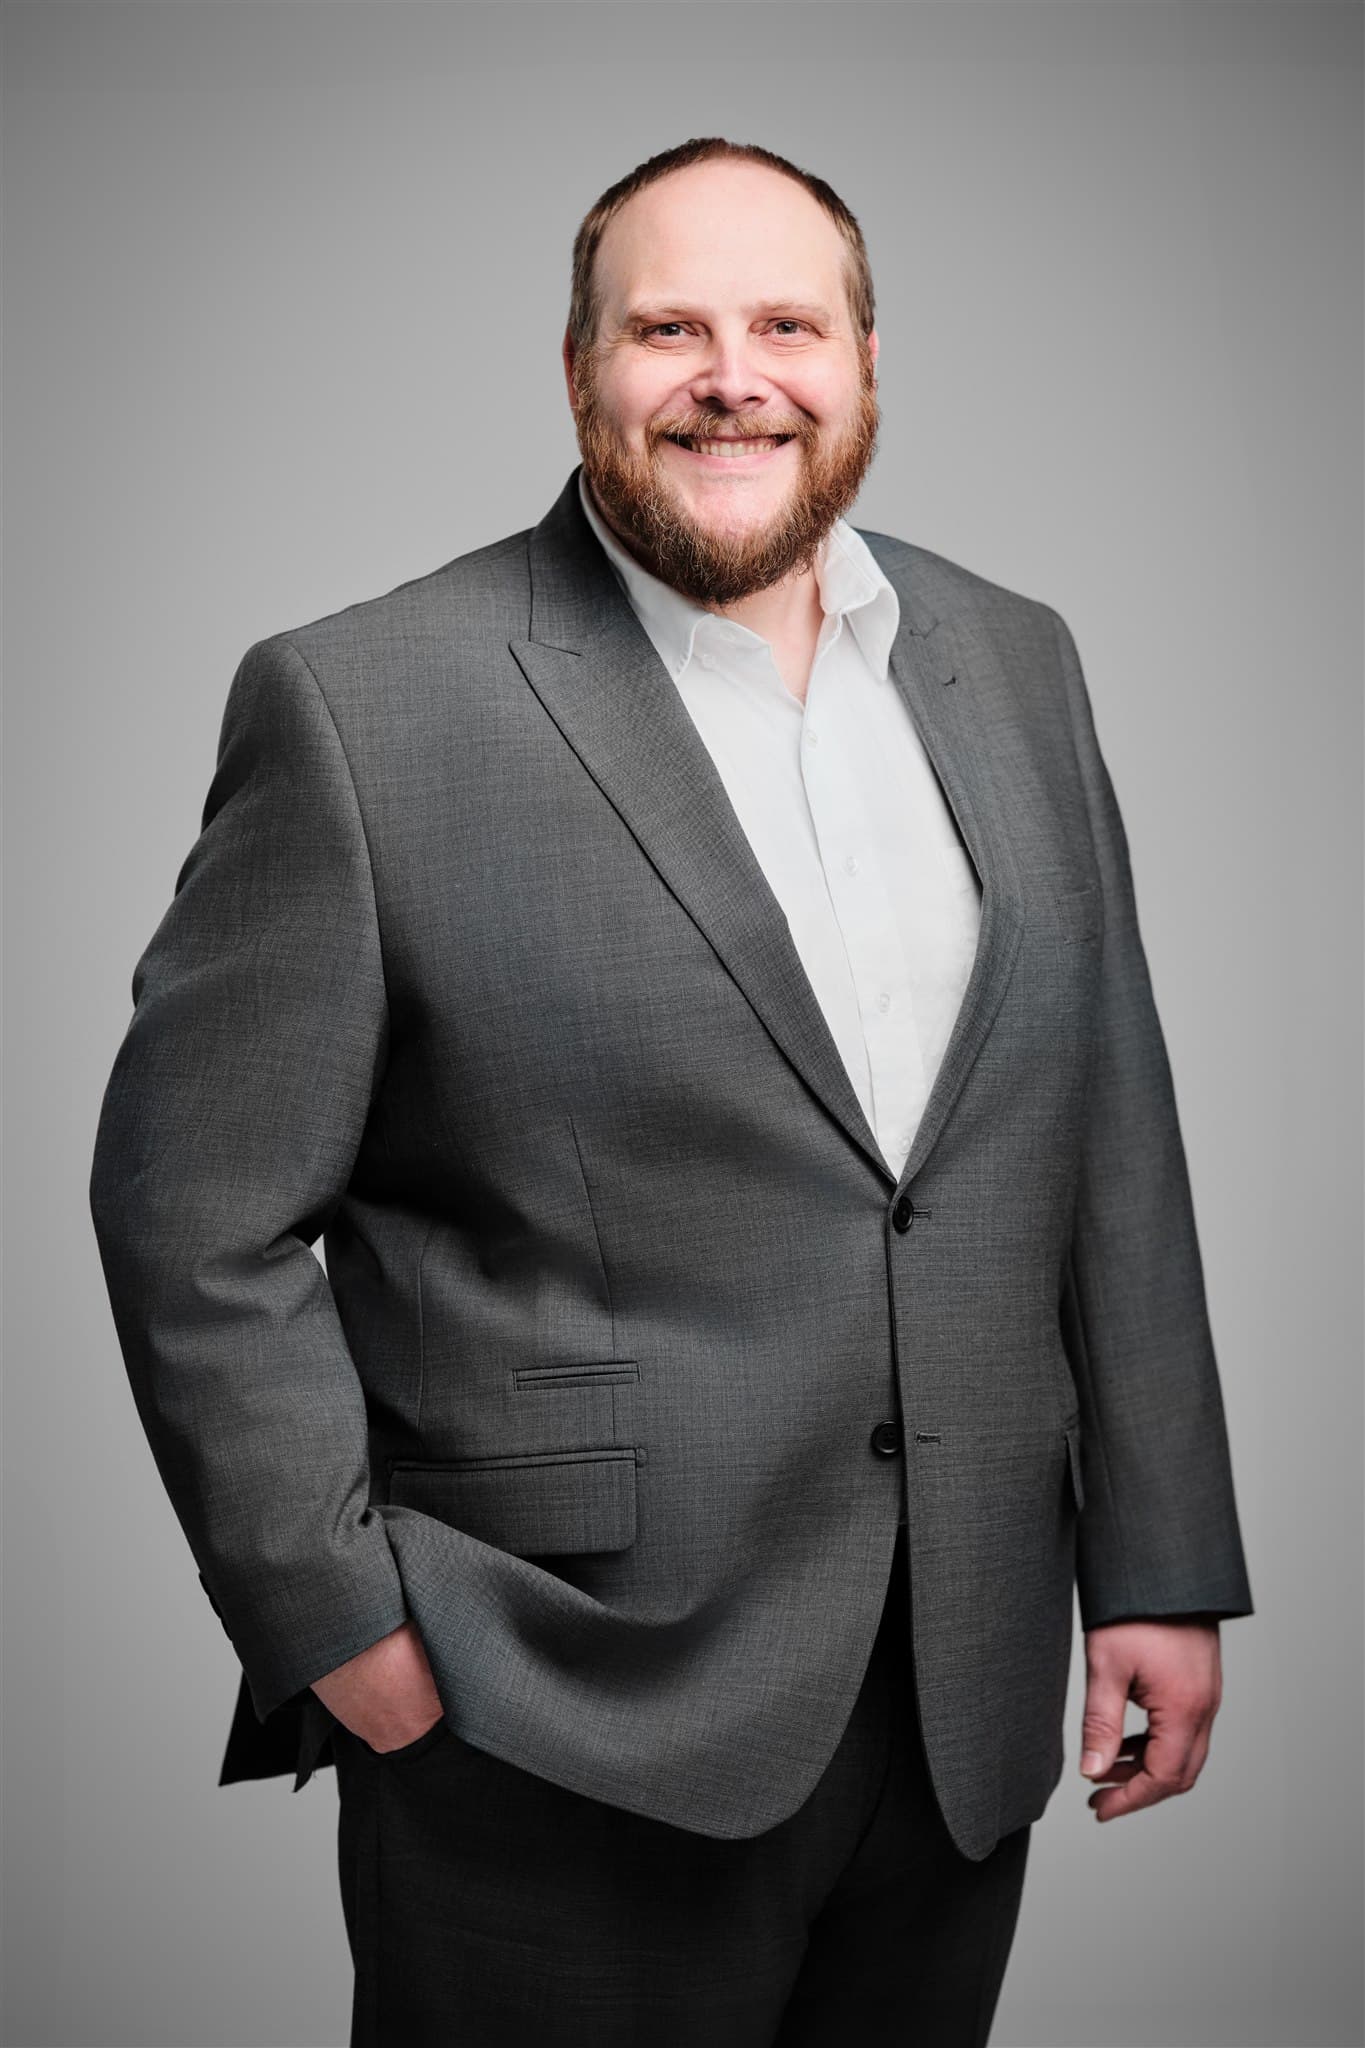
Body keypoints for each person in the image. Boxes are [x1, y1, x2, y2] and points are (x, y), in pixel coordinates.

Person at [89, 136, 1254, 2046]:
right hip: (552, 1710)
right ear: (578, 374)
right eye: (668, 329)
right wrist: (338, 1622)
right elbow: (187, 1214)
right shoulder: (365, 704)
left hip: (956, 1698)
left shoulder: (1013, 663)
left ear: (867, 362)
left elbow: (1105, 1124)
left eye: (787, 323)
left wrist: (1155, 1558)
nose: (734, 375)